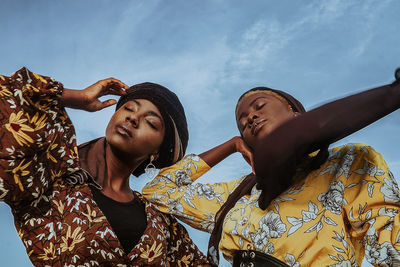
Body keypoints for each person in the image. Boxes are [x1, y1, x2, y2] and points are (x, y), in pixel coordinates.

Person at [143, 69, 400, 266]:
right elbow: (158, 191)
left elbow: (391, 243)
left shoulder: (348, 163)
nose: (250, 118)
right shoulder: (236, 197)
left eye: (259, 107)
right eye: (242, 124)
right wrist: (230, 146)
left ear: (294, 111)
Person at [0, 67, 210, 266]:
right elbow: (8, 102)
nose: (133, 118)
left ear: (158, 152)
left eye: (151, 123)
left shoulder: (160, 223)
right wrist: (76, 97)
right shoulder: (52, 178)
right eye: (128, 108)